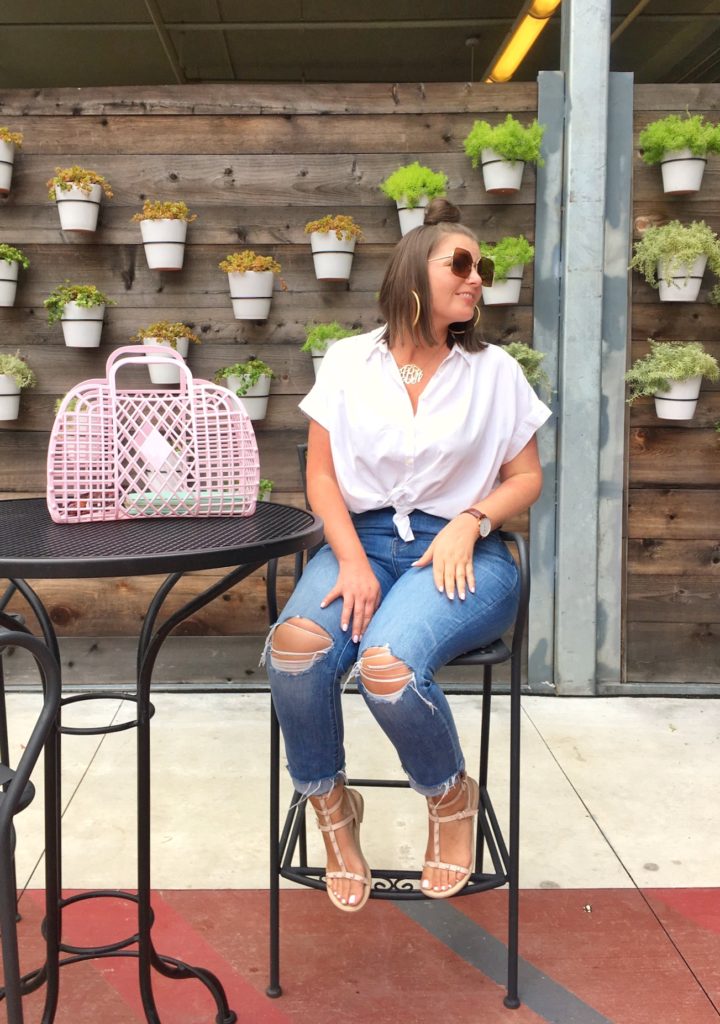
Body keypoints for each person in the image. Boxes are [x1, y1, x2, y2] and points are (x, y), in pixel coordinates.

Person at [264, 198, 551, 913]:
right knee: (294, 652)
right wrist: (352, 561)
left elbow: (528, 478)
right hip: (360, 544)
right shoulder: (347, 362)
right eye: (460, 263)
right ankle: (333, 806)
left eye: (481, 267)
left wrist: (472, 519)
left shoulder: (495, 373)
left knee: (387, 670)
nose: (477, 277)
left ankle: (449, 796)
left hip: (463, 553)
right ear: (411, 275)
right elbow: (322, 477)